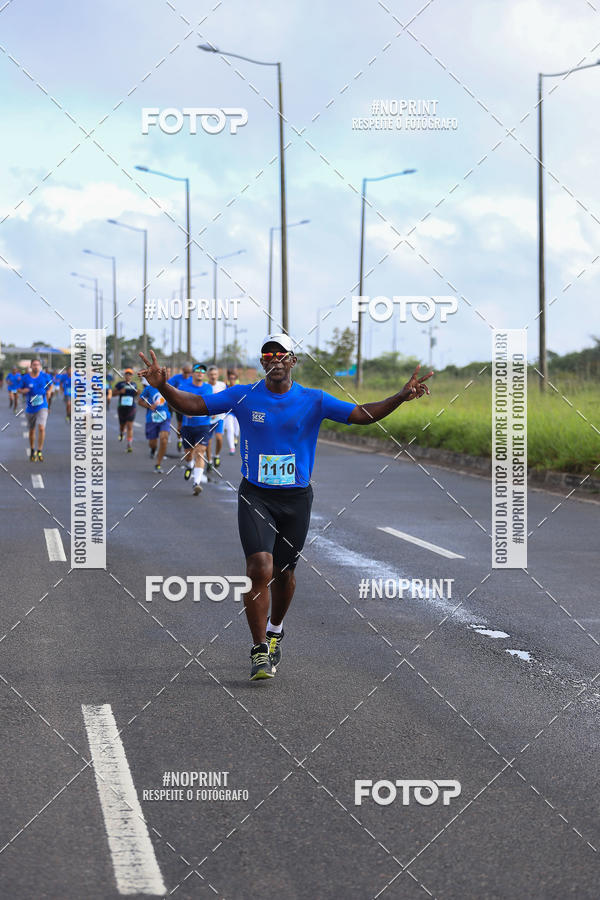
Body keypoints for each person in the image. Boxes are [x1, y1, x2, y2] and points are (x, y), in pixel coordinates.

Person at [139, 334, 433, 681]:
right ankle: (259, 648)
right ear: (262, 362)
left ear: (293, 360)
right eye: (268, 355)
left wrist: (400, 396)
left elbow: (361, 414)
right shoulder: (244, 395)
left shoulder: (313, 399)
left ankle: (276, 630)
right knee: (259, 567)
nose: (274, 359)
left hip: (296, 499)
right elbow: (195, 406)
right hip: (256, 495)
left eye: (281, 354)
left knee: (284, 574)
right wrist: (165, 388)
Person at [179, 363, 212, 495]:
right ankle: (189, 465)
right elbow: (176, 403)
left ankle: (196, 483)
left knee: (200, 452)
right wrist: (183, 410)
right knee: (189, 454)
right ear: (192, 373)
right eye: (197, 371)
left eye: (202, 371)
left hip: (203, 425)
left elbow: (208, 402)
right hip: (188, 426)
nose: (200, 373)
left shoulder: (208, 388)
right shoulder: (184, 387)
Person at [18, 359, 53, 461]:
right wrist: (23, 391)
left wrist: (49, 391)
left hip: (42, 406)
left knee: (41, 428)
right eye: (34, 365)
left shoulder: (45, 376)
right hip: (30, 407)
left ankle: (40, 450)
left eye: (38, 365)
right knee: (32, 430)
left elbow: (51, 385)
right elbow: (18, 389)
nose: (36, 366)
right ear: (31, 366)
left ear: (40, 366)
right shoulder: (25, 378)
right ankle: (33, 450)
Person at [139, 377, 171, 471]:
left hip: (165, 417)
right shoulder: (148, 388)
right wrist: (149, 406)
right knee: (152, 443)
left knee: (164, 439)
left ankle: (158, 464)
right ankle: (153, 449)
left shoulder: (167, 387)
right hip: (152, 418)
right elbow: (140, 401)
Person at [206, 365, 226, 475]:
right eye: (211, 374)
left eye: (215, 374)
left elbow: (226, 399)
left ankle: (216, 455)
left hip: (219, 417)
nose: (213, 376)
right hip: (208, 419)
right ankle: (208, 462)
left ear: (218, 375)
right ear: (208, 375)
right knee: (208, 442)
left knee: (219, 438)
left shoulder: (222, 385)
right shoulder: (205, 387)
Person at [167, 364, 192, 451]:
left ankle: (189, 442)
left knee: (188, 425)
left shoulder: (193, 379)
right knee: (179, 425)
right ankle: (179, 439)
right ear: (182, 371)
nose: (187, 374)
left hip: (189, 405)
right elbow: (167, 385)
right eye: (185, 372)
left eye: (189, 373)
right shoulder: (177, 378)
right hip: (178, 404)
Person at [113, 368, 139, 450]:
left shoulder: (134, 385)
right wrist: (120, 392)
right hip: (121, 408)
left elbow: (137, 396)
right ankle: (121, 433)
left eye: (130, 374)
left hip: (131, 407)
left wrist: (138, 393)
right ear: (124, 375)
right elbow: (113, 394)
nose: (128, 376)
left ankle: (129, 444)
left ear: (131, 376)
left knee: (130, 426)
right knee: (122, 426)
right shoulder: (120, 384)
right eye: (127, 374)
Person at [224, 369, 240, 455]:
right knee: (230, 429)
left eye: (234, 378)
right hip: (228, 412)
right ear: (228, 378)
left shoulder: (239, 388)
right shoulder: (225, 387)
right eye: (231, 378)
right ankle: (232, 448)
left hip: (237, 412)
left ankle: (236, 437)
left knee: (236, 430)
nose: (232, 380)